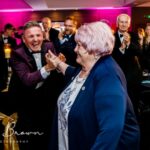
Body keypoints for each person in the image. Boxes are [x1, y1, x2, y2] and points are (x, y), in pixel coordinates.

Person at [46, 21, 140, 150]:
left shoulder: (108, 75)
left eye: (79, 45)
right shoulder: (89, 67)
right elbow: (74, 73)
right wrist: (57, 63)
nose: (75, 49)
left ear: (94, 49)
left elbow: (111, 130)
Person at [8, 21, 56, 150]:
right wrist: (48, 67)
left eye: (38, 35)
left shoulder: (49, 46)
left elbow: (56, 72)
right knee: (30, 143)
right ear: (24, 39)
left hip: (48, 105)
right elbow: (27, 80)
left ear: (43, 36)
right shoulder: (17, 53)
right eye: (31, 36)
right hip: (27, 105)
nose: (35, 40)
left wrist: (58, 64)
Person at [112, 14, 142, 117]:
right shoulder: (112, 37)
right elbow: (111, 55)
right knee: (118, 102)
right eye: (121, 22)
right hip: (117, 75)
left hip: (132, 76)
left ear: (129, 24)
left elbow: (139, 52)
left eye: (126, 22)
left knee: (133, 102)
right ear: (117, 23)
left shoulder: (134, 36)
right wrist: (121, 49)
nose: (124, 24)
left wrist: (129, 43)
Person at [0, 23, 17, 91]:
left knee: (10, 77)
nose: (13, 32)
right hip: (1, 62)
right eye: (11, 30)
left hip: (11, 62)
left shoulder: (13, 40)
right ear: (7, 30)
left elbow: (15, 51)